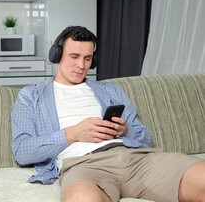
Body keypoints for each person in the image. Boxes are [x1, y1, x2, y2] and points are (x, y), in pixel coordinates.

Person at [11, 26, 205, 201]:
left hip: (135, 159)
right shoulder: (31, 96)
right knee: (81, 198)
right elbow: (21, 150)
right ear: (57, 55)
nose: (81, 65)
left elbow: (146, 138)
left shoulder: (111, 90)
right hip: (84, 166)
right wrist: (72, 134)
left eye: (88, 58)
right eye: (74, 56)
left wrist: (125, 131)